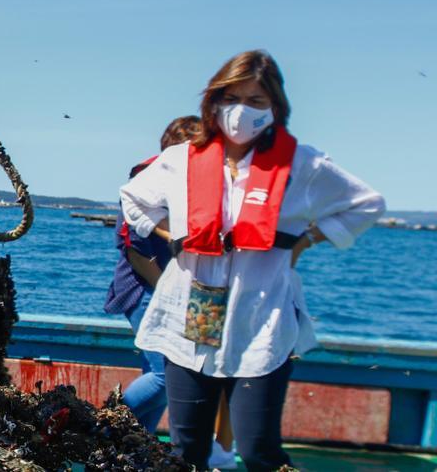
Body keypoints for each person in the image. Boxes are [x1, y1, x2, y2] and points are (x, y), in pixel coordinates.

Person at [120, 50, 384, 471]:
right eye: (232, 97)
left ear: (275, 108)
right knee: (186, 448)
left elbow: (366, 204)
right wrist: (175, 236)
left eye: (256, 101)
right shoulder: (181, 159)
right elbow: (133, 199)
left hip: (260, 315)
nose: (241, 111)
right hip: (192, 313)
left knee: (259, 448)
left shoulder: (305, 164)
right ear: (214, 102)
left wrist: (307, 240)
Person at [107, 115, 201, 432]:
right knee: (167, 375)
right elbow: (136, 253)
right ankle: (104, 430)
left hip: (172, 291)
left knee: (157, 372)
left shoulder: (194, 186)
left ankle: (134, 447)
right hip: (144, 289)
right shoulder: (144, 182)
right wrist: (171, 296)